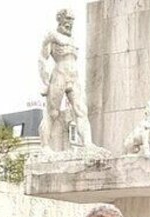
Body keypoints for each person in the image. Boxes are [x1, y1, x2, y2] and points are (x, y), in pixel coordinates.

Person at [39, 8, 95, 150]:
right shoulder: (52, 36)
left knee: (81, 111)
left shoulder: (72, 40)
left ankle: (88, 143)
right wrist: (45, 81)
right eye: (68, 19)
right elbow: (42, 59)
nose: (70, 23)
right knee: (52, 113)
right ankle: (45, 146)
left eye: (72, 20)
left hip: (74, 77)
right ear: (60, 19)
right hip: (59, 75)